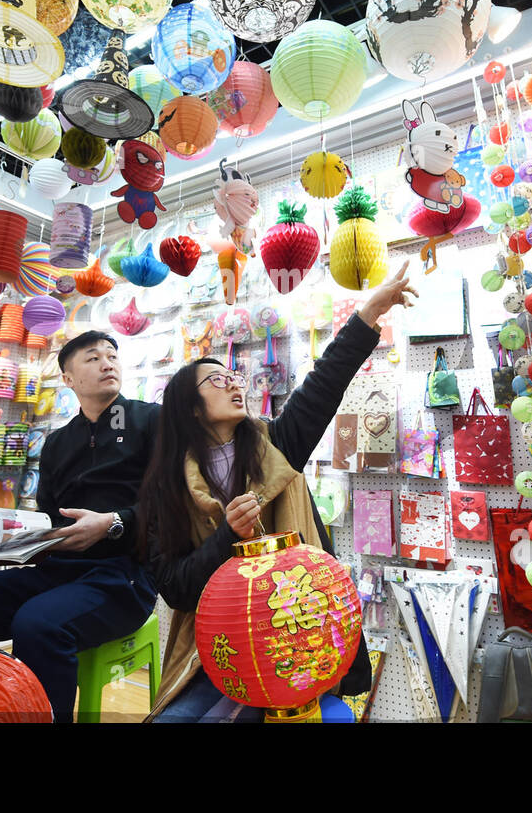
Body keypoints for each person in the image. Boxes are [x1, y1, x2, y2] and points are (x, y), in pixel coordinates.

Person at [139, 263, 418, 721]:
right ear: (189, 408)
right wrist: (226, 534)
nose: (233, 382)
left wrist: (369, 311)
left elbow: (324, 384)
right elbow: (175, 589)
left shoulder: (277, 446)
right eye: (216, 380)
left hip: (296, 641)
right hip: (217, 650)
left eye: (233, 376)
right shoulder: (166, 490)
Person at [0, 331, 159, 723]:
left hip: (124, 577)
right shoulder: (56, 444)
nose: (107, 363)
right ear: (67, 379)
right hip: (54, 573)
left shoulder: (151, 420)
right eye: (92, 357)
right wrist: (8, 539)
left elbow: (175, 504)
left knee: (38, 624)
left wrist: (114, 524)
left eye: (112, 355)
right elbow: (50, 520)